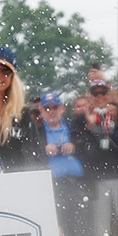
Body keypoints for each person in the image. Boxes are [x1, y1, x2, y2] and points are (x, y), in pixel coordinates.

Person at [34, 92, 89, 236]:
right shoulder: (37, 131)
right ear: (41, 111)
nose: (51, 111)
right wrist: (43, 150)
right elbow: (30, 153)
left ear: (61, 109)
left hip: (77, 185)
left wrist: (74, 147)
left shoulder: (72, 127)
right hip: (52, 186)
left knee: (80, 225)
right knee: (57, 227)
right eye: (47, 108)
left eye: (55, 107)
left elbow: (87, 147)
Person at [72, 80, 118, 235]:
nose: (99, 96)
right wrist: (91, 128)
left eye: (103, 92)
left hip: (117, 174)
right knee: (101, 225)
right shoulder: (81, 119)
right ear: (90, 96)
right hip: (96, 178)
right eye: (95, 93)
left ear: (108, 94)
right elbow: (81, 148)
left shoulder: (116, 114)